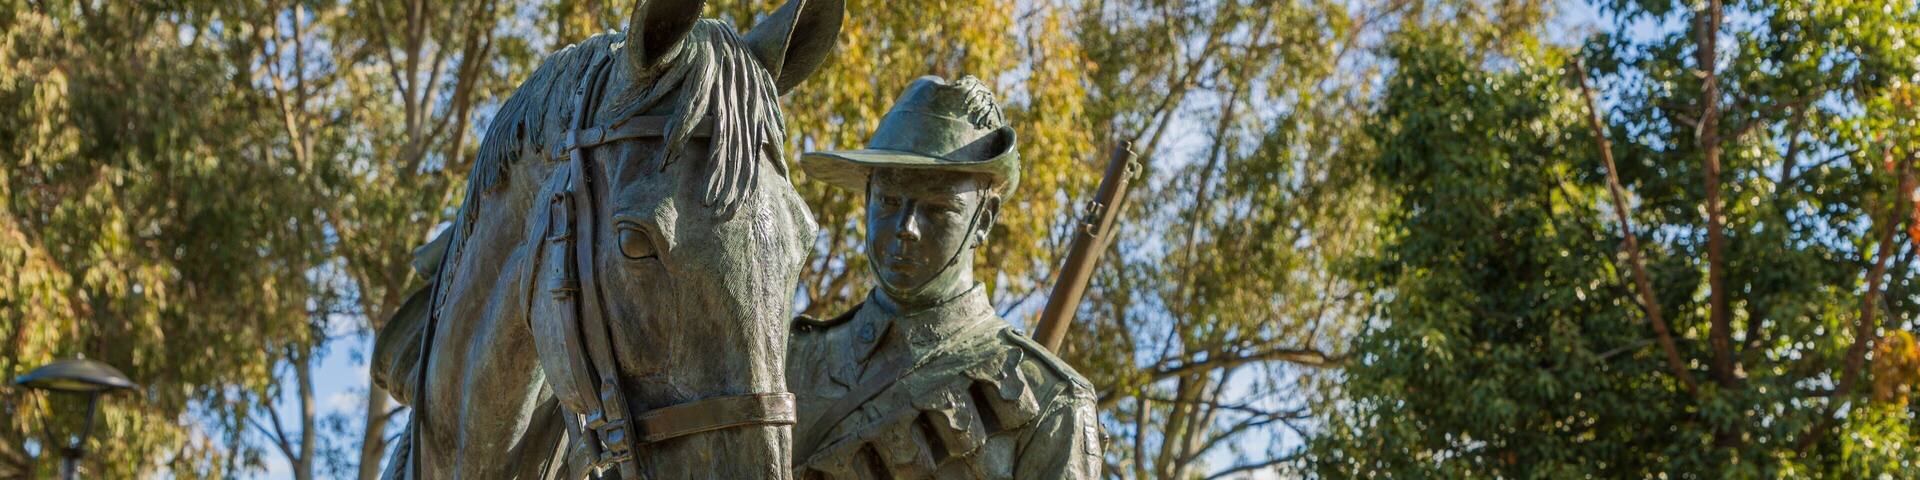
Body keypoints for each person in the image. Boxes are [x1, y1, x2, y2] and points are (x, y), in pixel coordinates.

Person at [786, 75, 1102, 479]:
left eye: (938, 208)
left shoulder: (1048, 399)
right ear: (866, 200)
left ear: (983, 219)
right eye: (889, 200)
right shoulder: (791, 358)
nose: (907, 227)